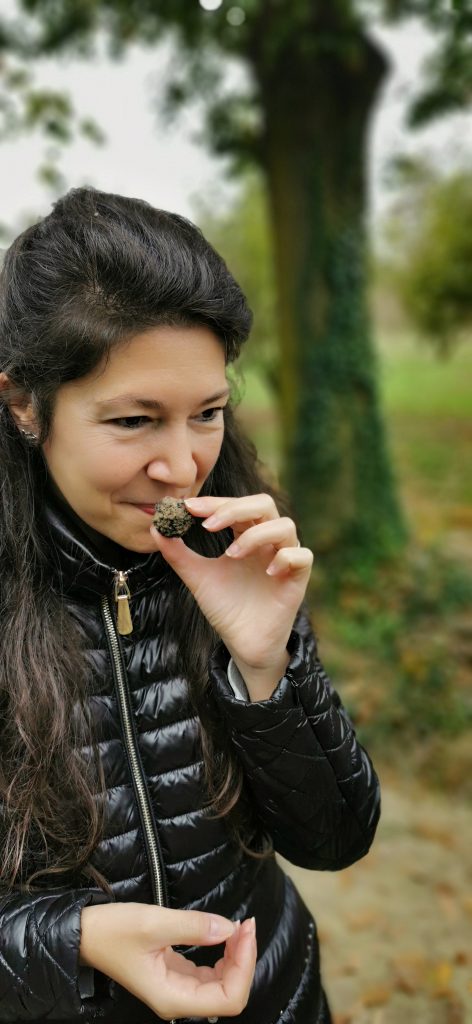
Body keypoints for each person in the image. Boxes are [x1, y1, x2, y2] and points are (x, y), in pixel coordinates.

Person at [0, 186, 380, 1024]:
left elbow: (335, 838)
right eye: (135, 421)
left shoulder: (231, 552)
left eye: (207, 412)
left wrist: (267, 665)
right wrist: (74, 942)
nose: (184, 467)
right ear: (26, 404)